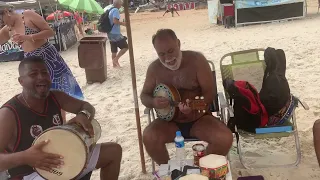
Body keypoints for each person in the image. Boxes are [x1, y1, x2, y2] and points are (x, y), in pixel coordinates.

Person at [0, 56, 122, 180]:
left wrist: (83, 114)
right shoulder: (9, 114)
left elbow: (86, 106)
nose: (41, 77)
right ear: (21, 81)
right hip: (30, 173)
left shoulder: (55, 97)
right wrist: (26, 157)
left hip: (62, 157)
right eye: (33, 74)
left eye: (44, 72)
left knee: (113, 151)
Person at [141, 29, 233, 165]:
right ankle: (169, 171)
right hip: (168, 123)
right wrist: (153, 102)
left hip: (199, 119)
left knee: (225, 138)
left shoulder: (197, 61)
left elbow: (210, 92)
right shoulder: (154, 69)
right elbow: (144, 96)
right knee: (149, 137)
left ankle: (203, 168)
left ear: (178, 43)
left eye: (171, 51)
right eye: (161, 54)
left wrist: (194, 105)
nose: (167, 58)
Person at [0, 3, 84, 120]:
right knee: (39, 91)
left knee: (58, 88)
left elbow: (50, 32)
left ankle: (62, 120)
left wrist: (28, 37)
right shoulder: (7, 29)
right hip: (30, 61)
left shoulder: (27, 15)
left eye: (1, 20)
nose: (3, 24)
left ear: (6, 12)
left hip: (47, 56)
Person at [107, 0, 128, 68]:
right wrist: (123, 24)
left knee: (114, 50)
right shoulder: (115, 10)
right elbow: (115, 21)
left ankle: (114, 65)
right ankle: (115, 60)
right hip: (115, 33)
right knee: (125, 47)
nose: (121, 5)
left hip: (110, 32)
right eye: (121, 4)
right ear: (118, 4)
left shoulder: (110, 9)